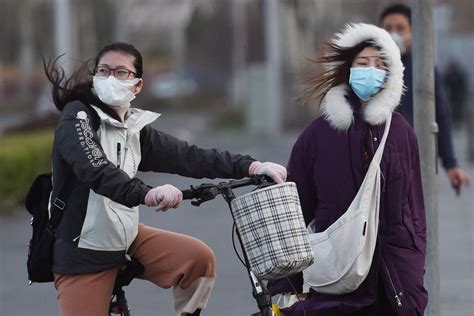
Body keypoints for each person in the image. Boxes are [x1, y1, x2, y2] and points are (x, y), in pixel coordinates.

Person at [43, 42, 287, 316]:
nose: (111, 77)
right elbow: (96, 170)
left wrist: (251, 166)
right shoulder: (77, 117)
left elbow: (189, 156)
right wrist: (146, 193)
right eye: (104, 70)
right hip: (83, 252)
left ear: (137, 85)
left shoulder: (133, 129)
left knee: (197, 260)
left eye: (121, 72)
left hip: (125, 241)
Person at [268, 23, 427, 315]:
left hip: (393, 277)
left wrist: (415, 268)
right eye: (362, 63)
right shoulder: (317, 134)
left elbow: (414, 210)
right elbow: (295, 211)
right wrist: (285, 286)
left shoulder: (401, 132)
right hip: (337, 275)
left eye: (380, 64)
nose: (371, 70)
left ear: (391, 75)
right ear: (346, 68)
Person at [379, 3, 470, 195]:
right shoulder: (372, 69)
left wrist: (450, 163)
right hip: (378, 160)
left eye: (400, 28)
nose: (393, 34)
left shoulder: (425, 69)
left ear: (413, 32)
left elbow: (440, 115)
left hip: (414, 160)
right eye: (387, 29)